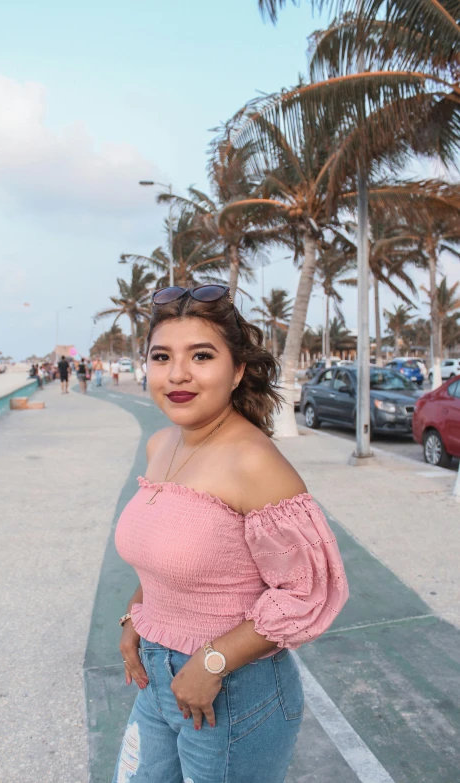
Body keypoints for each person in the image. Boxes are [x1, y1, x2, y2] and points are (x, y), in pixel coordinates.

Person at [113, 284, 349, 783]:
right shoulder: (161, 444)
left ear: (237, 369)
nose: (178, 373)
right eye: (162, 356)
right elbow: (166, 550)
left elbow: (307, 590)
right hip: (157, 679)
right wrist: (139, 612)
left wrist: (212, 663)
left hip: (231, 690)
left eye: (201, 355)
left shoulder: (254, 463)